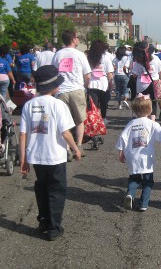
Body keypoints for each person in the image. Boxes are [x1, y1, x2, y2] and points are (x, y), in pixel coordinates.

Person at [19, 65, 81, 241]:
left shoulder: (28, 105)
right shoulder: (58, 105)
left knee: (41, 187)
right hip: (55, 156)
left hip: (36, 156)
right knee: (56, 190)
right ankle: (54, 227)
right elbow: (66, 132)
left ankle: (43, 220)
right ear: (53, 86)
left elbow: (23, 134)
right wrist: (76, 148)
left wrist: (23, 159)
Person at [115, 93, 161, 212]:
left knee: (134, 178)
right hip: (146, 158)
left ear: (134, 110)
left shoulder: (131, 124)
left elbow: (122, 138)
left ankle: (130, 194)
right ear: (150, 110)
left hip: (133, 156)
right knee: (148, 181)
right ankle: (143, 203)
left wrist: (120, 152)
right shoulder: (152, 124)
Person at [51, 29, 92, 159]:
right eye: (77, 37)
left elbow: (53, 72)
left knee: (64, 121)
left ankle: (67, 148)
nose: (78, 39)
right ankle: (79, 145)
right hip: (77, 89)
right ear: (73, 39)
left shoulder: (58, 54)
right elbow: (88, 75)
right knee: (80, 119)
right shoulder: (80, 55)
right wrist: (86, 86)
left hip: (61, 91)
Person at [131, 42, 161, 121]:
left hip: (142, 84)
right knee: (153, 102)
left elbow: (134, 75)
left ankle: (142, 118)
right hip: (154, 83)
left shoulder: (137, 61)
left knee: (141, 101)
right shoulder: (155, 58)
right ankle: (152, 120)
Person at [87, 40, 114, 124]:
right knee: (103, 103)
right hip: (103, 84)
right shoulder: (105, 57)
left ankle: (93, 120)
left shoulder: (88, 57)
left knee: (93, 104)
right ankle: (103, 118)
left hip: (91, 84)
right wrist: (110, 82)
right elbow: (109, 73)